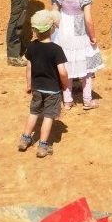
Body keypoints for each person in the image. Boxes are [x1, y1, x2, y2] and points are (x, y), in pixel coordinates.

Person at [54, 0, 104, 110]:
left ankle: (67, 100)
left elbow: (55, 15)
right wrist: (93, 37)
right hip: (81, 37)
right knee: (87, 69)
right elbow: (88, 20)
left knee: (67, 68)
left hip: (64, 38)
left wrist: (60, 29)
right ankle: (87, 100)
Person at [19, 9, 68, 158]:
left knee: (34, 112)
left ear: (34, 30)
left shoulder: (32, 47)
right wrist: (65, 85)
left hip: (37, 88)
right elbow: (63, 72)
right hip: (52, 91)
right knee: (48, 116)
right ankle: (42, 146)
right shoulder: (56, 50)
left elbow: (29, 67)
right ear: (52, 28)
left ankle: (25, 138)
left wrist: (29, 84)